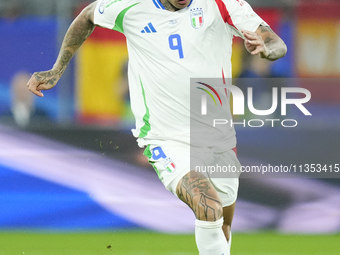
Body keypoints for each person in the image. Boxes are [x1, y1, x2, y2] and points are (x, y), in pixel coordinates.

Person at [27, 0, 287, 254]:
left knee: (223, 221)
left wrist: (267, 50)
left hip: (217, 135)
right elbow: (88, 15)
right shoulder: (131, 7)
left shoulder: (222, 4)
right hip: (164, 137)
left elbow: (276, 43)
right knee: (208, 206)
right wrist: (56, 70)